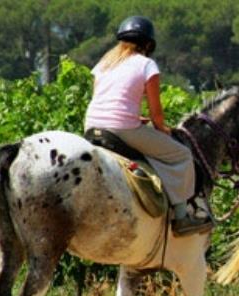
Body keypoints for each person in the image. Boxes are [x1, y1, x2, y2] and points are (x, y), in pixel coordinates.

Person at [84, 16, 212, 236]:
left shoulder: (104, 63)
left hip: (92, 125)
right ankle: (182, 217)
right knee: (181, 155)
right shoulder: (146, 64)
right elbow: (156, 112)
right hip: (122, 128)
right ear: (148, 45)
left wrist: (135, 118)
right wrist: (161, 128)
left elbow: (103, 99)